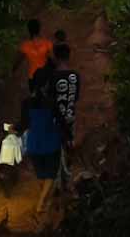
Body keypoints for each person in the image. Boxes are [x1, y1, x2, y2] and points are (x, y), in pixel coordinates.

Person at [21, 64, 64, 221]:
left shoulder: (26, 103)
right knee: (51, 175)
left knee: (42, 175)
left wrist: (14, 129)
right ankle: (41, 204)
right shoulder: (51, 102)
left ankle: (44, 206)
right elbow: (61, 121)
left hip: (33, 145)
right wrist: (68, 138)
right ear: (47, 84)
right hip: (50, 143)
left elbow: (23, 124)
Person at [50, 43, 81, 185]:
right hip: (70, 117)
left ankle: (58, 186)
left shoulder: (53, 77)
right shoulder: (75, 76)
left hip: (56, 120)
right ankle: (66, 183)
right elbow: (76, 98)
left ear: (55, 57)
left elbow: (50, 100)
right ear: (68, 57)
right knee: (69, 148)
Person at [13, 19, 52, 84]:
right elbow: (53, 60)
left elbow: (18, 61)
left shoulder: (25, 46)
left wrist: (13, 71)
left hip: (33, 78)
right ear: (39, 29)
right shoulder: (47, 44)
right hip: (46, 76)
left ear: (29, 30)